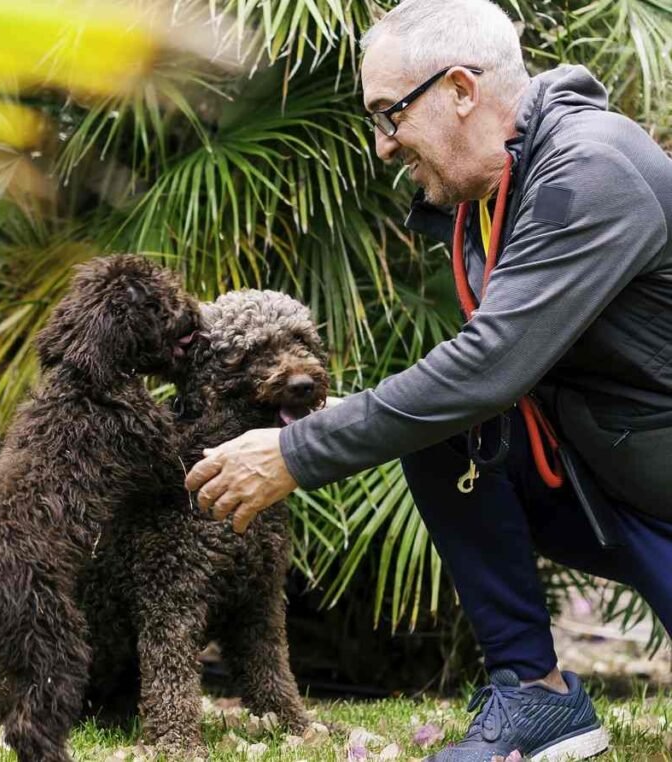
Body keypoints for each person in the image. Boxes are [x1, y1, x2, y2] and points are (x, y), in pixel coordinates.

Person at [184, 0, 672, 759]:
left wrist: (296, 452)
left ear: (461, 90)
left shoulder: (592, 169)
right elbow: (480, 382)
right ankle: (534, 697)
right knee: (439, 428)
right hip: (616, 483)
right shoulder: (499, 191)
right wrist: (363, 418)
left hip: (653, 494)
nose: (382, 147)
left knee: (447, 406)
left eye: (389, 114)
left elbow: (488, 366)